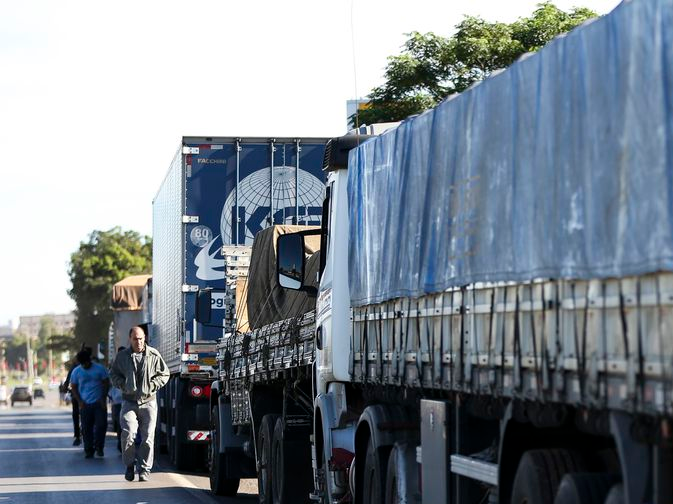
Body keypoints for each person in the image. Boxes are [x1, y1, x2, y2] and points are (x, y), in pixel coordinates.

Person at [110, 326, 169, 482]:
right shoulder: (122, 356)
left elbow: (165, 374)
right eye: (135, 339)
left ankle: (144, 469)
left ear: (145, 338)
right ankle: (129, 465)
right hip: (129, 402)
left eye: (141, 338)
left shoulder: (153, 355)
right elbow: (113, 374)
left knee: (148, 437)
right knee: (128, 433)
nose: (139, 342)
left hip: (149, 402)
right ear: (130, 339)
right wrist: (123, 385)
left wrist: (153, 385)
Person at [70, 350, 110, 459]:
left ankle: (99, 447)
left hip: (99, 403)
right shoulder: (76, 371)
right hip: (85, 404)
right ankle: (88, 450)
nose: (85, 365)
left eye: (86, 363)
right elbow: (73, 386)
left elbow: (106, 383)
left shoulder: (100, 369)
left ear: (89, 360)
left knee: (101, 425)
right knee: (86, 428)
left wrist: (103, 398)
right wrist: (80, 401)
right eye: (82, 364)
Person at [109, 346, 125, 452]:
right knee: (120, 424)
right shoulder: (113, 369)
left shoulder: (132, 366)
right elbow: (108, 385)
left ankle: (126, 444)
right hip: (117, 402)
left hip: (128, 401)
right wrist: (111, 396)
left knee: (127, 425)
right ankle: (121, 444)